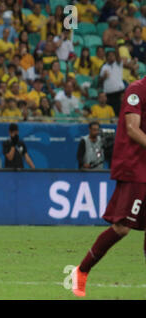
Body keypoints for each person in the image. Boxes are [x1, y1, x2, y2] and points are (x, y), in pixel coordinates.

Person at [71, 75, 146, 297]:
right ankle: (82, 271)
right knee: (122, 228)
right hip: (135, 168)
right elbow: (132, 129)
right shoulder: (137, 90)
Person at [100, 49, 125, 116]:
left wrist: (116, 47)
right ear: (106, 57)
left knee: (120, 110)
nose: (111, 57)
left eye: (112, 55)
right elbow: (100, 80)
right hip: (109, 93)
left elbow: (118, 56)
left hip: (119, 92)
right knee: (111, 111)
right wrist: (104, 77)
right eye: (109, 56)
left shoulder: (118, 64)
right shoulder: (104, 67)